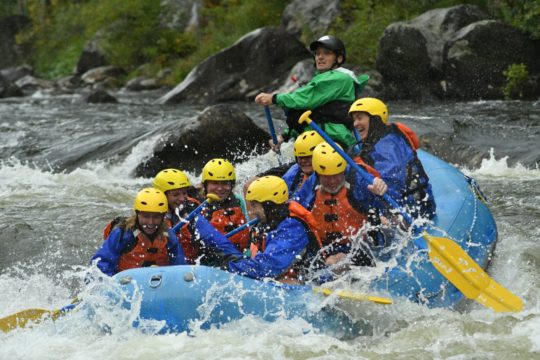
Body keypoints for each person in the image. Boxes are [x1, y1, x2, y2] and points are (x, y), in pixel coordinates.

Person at [190, 176, 325, 283]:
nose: (252, 212)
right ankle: (195, 219)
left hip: (304, 284)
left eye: (255, 206)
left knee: (288, 281)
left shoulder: (293, 229)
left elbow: (267, 267)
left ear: (268, 206)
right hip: (266, 272)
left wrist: (227, 269)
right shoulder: (268, 222)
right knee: (226, 251)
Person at [255, 35, 368, 150]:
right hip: (318, 140)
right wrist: (284, 136)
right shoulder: (322, 79)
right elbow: (308, 115)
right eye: (318, 54)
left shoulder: (339, 78)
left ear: (338, 58)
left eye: (326, 53)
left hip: (332, 142)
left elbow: (305, 99)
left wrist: (274, 98)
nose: (320, 57)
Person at [294, 142, 389, 268]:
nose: (332, 181)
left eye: (337, 175)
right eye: (327, 177)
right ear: (318, 174)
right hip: (323, 247)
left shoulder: (359, 179)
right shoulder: (311, 184)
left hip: (360, 246)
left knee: (334, 263)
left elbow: (386, 202)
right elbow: (293, 209)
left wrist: (380, 191)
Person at [348, 97, 436, 220]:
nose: (355, 123)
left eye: (359, 118)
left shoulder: (387, 145)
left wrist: (381, 208)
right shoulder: (377, 141)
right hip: (409, 207)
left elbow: (392, 184)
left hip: (415, 212)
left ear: (374, 119)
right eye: (354, 120)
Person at [91, 188, 185, 276]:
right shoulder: (123, 234)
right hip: (125, 286)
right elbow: (100, 266)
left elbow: (180, 267)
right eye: (145, 216)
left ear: (163, 216)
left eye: (156, 217)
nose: (150, 223)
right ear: (137, 214)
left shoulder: (168, 236)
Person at [198, 158, 250, 263]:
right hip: (212, 261)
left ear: (232, 185)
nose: (220, 188)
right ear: (205, 185)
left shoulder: (238, 200)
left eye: (225, 183)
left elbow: (248, 229)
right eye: (215, 183)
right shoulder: (198, 206)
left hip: (240, 256)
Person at [245, 130, 325, 196]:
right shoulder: (292, 169)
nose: (303, 161)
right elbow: (248, 185)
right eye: (300, 157)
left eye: (308, 157)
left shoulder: (329, 179)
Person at [153, 168, 201, 263]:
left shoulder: (193, 207)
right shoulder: (150, 216)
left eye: (184, 193)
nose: (182, 199)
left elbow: (210, 234)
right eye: (175, 195)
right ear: (162, 196)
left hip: (191, 263)